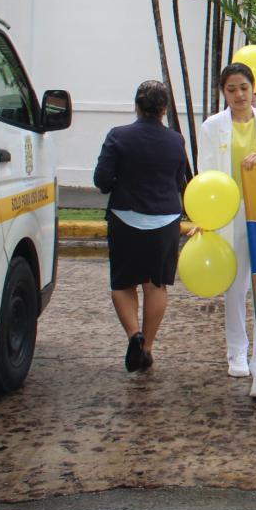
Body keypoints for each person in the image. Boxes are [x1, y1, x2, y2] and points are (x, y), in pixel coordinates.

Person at [197, 63, 256, 397]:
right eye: (231, 89)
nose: (238, 95)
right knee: (235, 285)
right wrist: (205, 217)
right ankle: (236, 350)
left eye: (244, 87)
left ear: (253, 88)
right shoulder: (212, 127)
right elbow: (205, 174)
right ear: (224, 92)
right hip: (229, 212)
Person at [93, 80, 188, 373]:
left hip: (125, 218)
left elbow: (102, 180)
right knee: (156, 284)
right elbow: (180, 183)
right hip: (165, 221)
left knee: (123, 284)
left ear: (136, 106)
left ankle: (134, 334)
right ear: (164, 109)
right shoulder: (176, 141)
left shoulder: (118, 136)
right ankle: (147, 347)